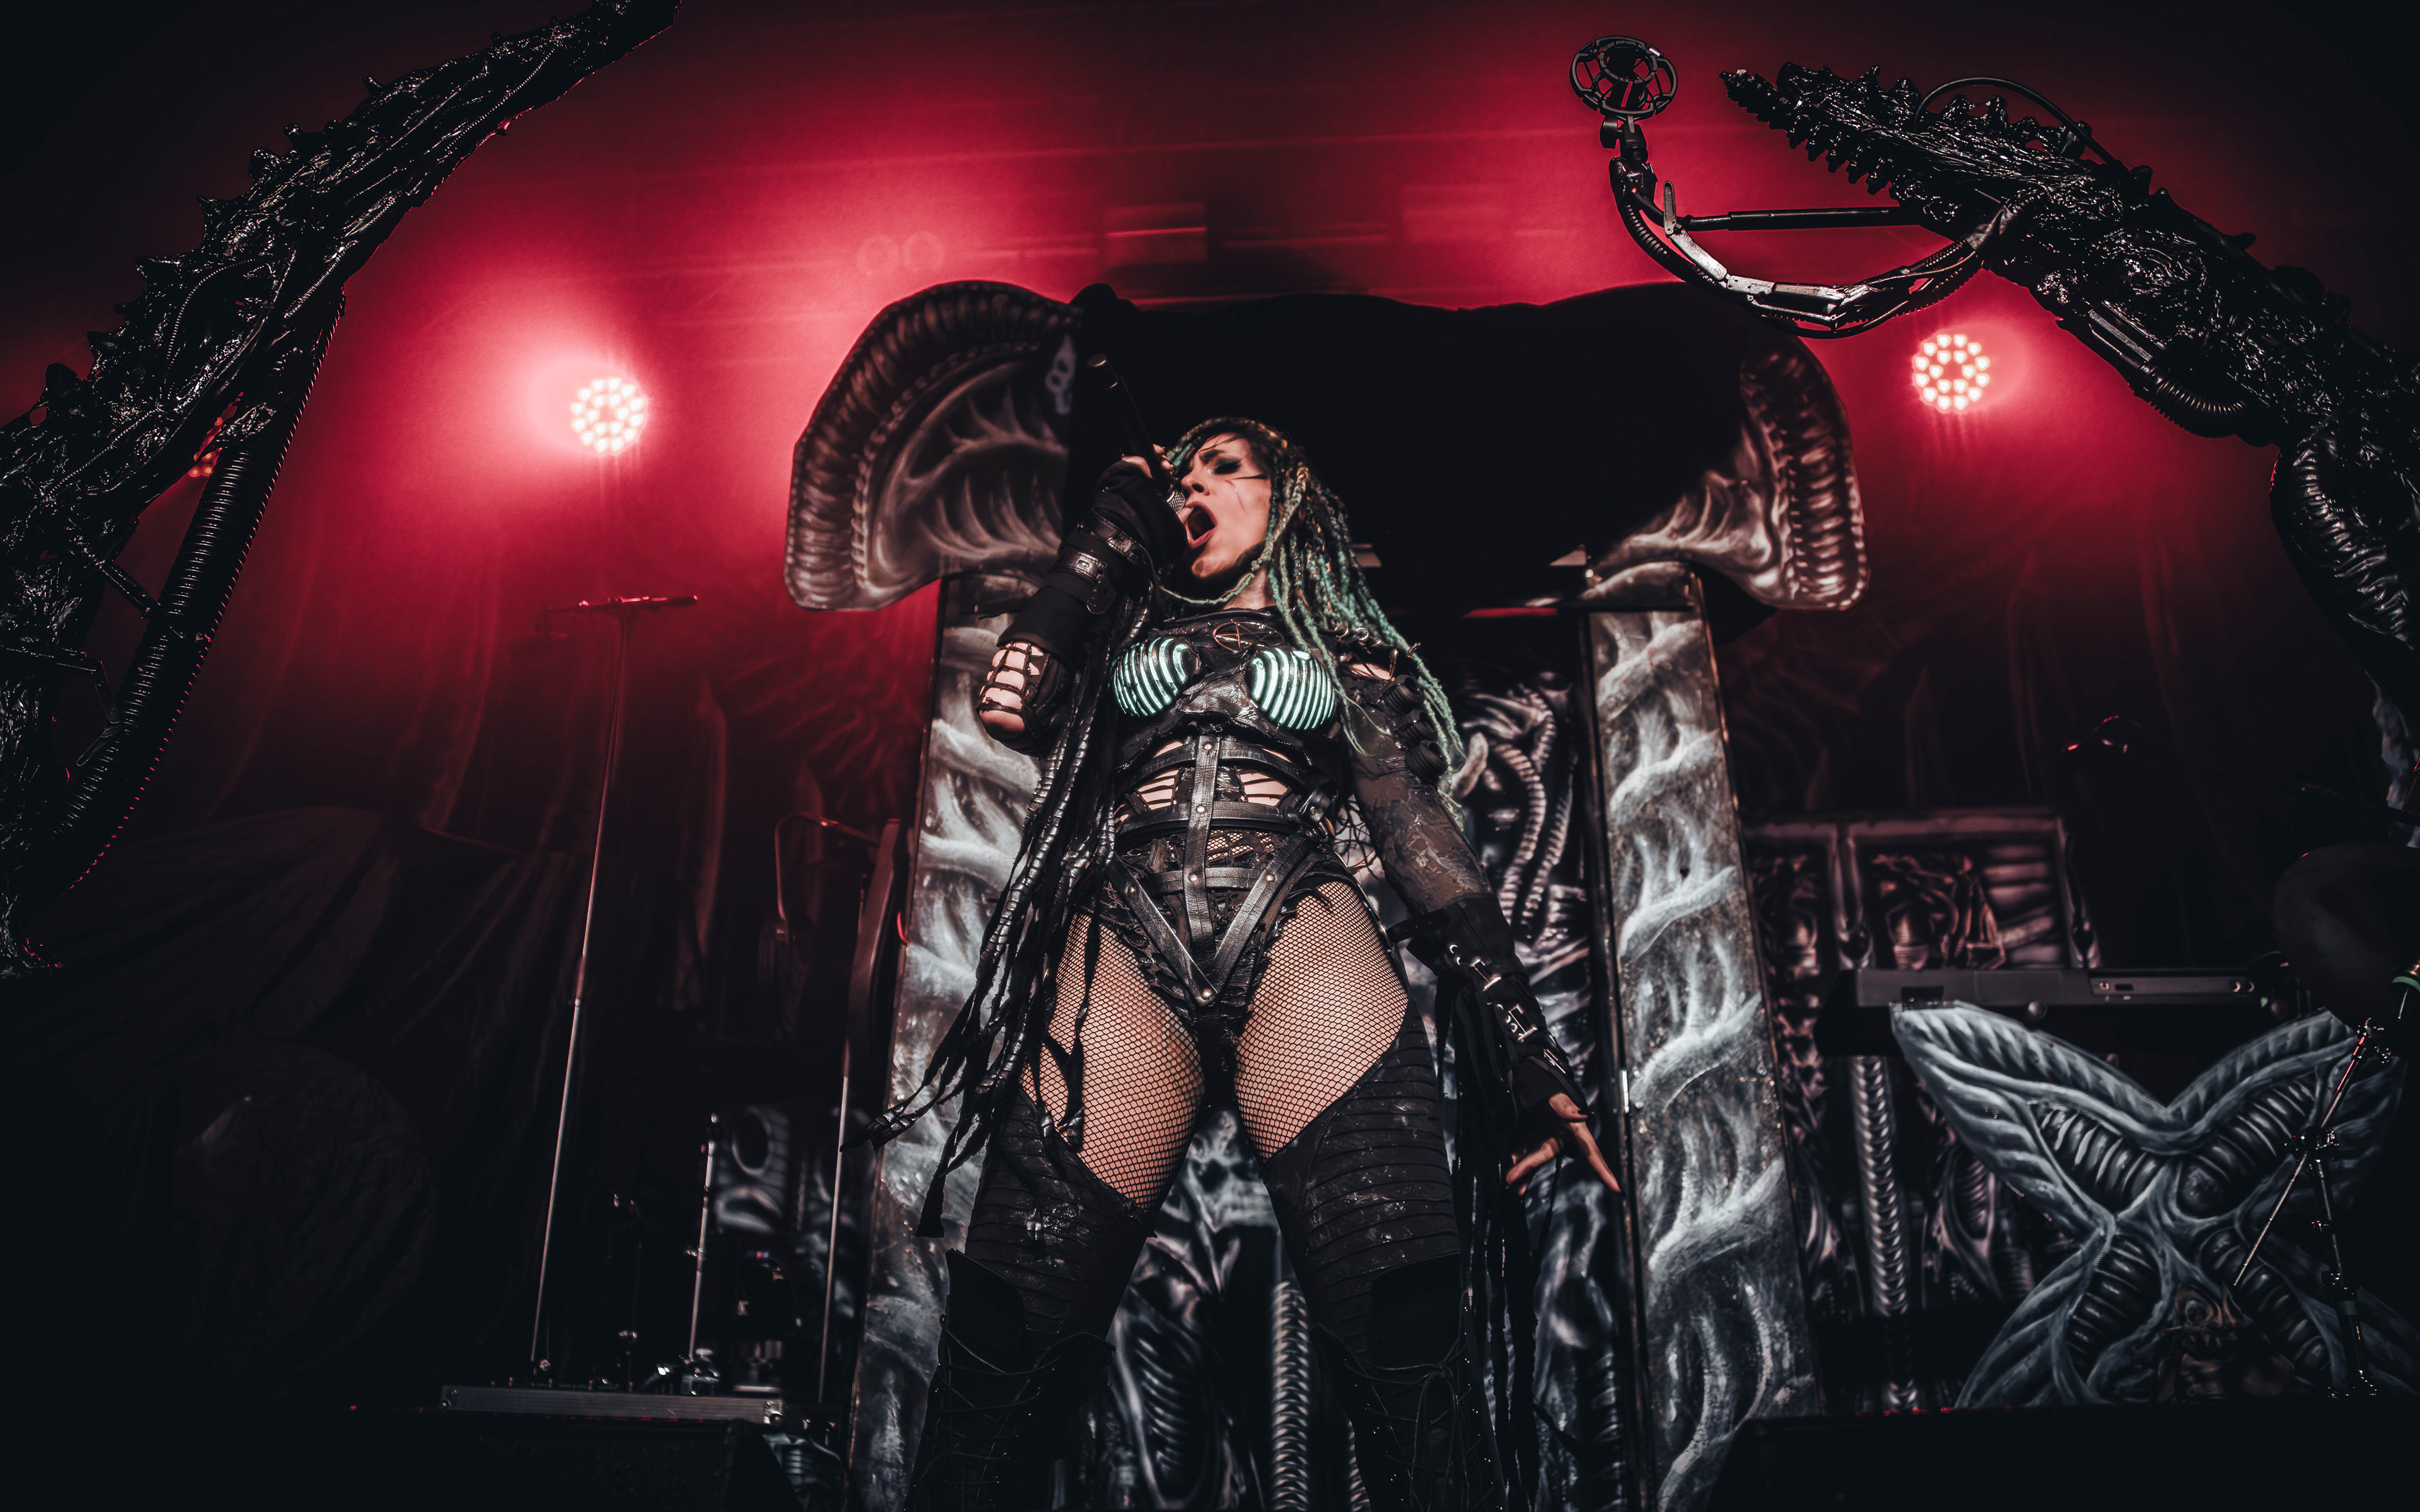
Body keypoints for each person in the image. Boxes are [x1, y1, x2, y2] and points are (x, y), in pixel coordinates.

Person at [875, 418, 1620, 1511]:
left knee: (1404, 1342)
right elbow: (1011, 701)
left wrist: (1523, 1043)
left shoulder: (1343, 648)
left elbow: (1420, 838)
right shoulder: (1114, 638)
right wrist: (1109, 530)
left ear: (1291, 502)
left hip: (1298, 933)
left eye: (1224, 469)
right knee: (1004, 1346)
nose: (1195, 487)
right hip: (1124, 938)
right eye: (1181, 476)